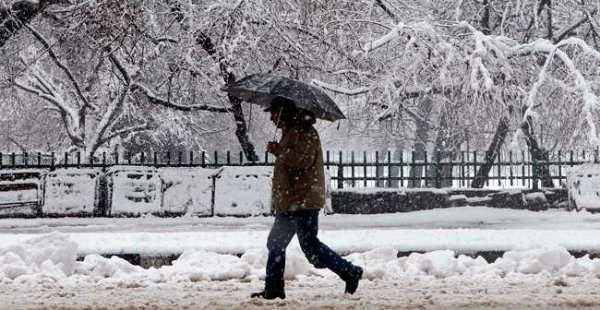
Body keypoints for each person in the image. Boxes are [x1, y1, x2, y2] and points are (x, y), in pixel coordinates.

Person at [251, 97, 363, 300]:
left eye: (273, 112)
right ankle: (274, 289)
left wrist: (279, 151)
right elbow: (290, 160)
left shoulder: (305, 132)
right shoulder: (291, 132)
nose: (270, 117)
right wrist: (280, 151)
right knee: (276, 243)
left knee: (310, 247)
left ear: (283, 111)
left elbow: (302, 160)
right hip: (290, 200)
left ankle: (350, 272)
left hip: (303, 200)